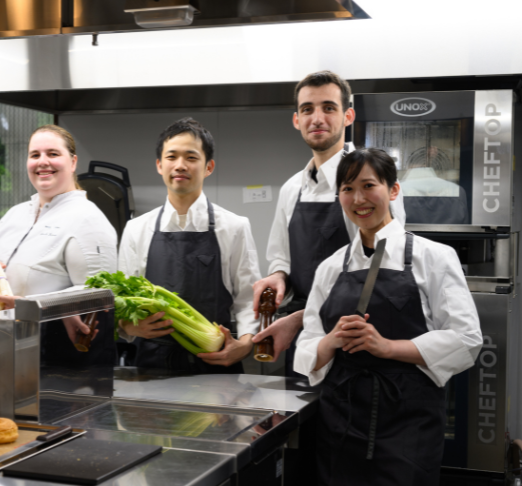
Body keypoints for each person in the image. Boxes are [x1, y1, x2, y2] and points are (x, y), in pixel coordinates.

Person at [294, 148, 482, 485]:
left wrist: (387, 347)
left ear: (393, 190)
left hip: (408, 422)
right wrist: (331, 341)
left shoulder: (434, 257)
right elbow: (308, 343)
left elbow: (466, 339)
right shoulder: (330, 267)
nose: (358, 199)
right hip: (341, 418)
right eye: (347, 189)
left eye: (369, 186)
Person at [252, 71, 406, 371]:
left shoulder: (375, 185)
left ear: (348, 116)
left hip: (361, 332)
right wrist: (277, 277)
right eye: (307, 109)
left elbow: (383, 270)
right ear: (297, 120)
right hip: (305, 338)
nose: (317, 118)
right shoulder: (291, 189)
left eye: (329, 108)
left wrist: (302, 317)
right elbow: (280, 258)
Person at [118, 117, 261, 373]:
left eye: (191, 158)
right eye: (171, 157)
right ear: (159, 165)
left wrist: (245, 344)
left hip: (216, 368)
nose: (180, 165)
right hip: (151, 369)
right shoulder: (136, 229)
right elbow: (124, 301)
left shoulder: (234, 226)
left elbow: (248, 300)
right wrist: (128, 327)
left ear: (209, 167)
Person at [0, 124, 118, 366]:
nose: (42, 162)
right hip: (1, 346)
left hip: (55, 354)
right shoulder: (17, 213)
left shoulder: (88, 219)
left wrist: (29, 305)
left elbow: (99, 294)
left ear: (73, 162)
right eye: (35, 155)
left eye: (53, 154)